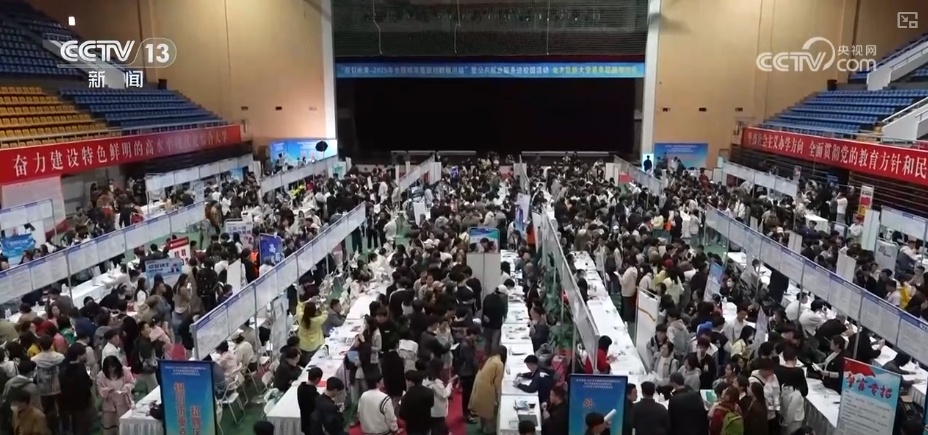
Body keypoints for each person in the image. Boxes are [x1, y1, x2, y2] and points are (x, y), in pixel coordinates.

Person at [31, 335, 63, 433]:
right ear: (51, 344)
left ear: (40, 345)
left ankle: (50, 428)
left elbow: (33, 375)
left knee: (47, 410)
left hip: (43, 388)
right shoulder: (60, 357)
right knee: (61, 409)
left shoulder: (34, 360)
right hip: (58, 386)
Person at [471, 346, 506, 434]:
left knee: (482, 409)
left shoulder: (490, 359)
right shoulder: (499, 363)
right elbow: (497, 383)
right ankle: (491, 431)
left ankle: (482, 427)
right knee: (490, 411)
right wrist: (498, 396)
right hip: (487, 387)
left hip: (479, 384)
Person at [59, 344, 93, 435]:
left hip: (69, 403)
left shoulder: (63, 366)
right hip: (81, 402)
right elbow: (86, 384)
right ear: (78, 355)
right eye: (84, 353)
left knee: (75, 424)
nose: (85, 355)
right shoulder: (80, 369)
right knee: (82, 427)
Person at [96, 355, 135, 435]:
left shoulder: (125, 371)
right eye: (109, 368)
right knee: (110, 427)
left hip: (123, 403)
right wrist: (105, 390)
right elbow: (99, 389)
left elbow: (132, 382)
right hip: (109, 406)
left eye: (113, 367)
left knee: (123, 426)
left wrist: (126, 387)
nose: (111, 370)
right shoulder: (101, 375)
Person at [399, 370, 434, 435]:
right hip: (426, 424)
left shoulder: (406, 396)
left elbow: (402, 415)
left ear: (410, 382)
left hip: (412, 427)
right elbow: (431, 405)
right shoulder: (429, 392)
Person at [424, 359, 453, 435]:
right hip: (437, 409)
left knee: (434, 425)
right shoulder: (436, 383)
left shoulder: (426, 379)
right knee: (439, 426)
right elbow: (444, 394)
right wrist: (449, 386)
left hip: (429, 408)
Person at [297, 366, 323, 435]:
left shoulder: (300, 387)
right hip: (312, 423)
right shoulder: (312, 393)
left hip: (305, 420)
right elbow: (318, 404)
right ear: (318, 379)